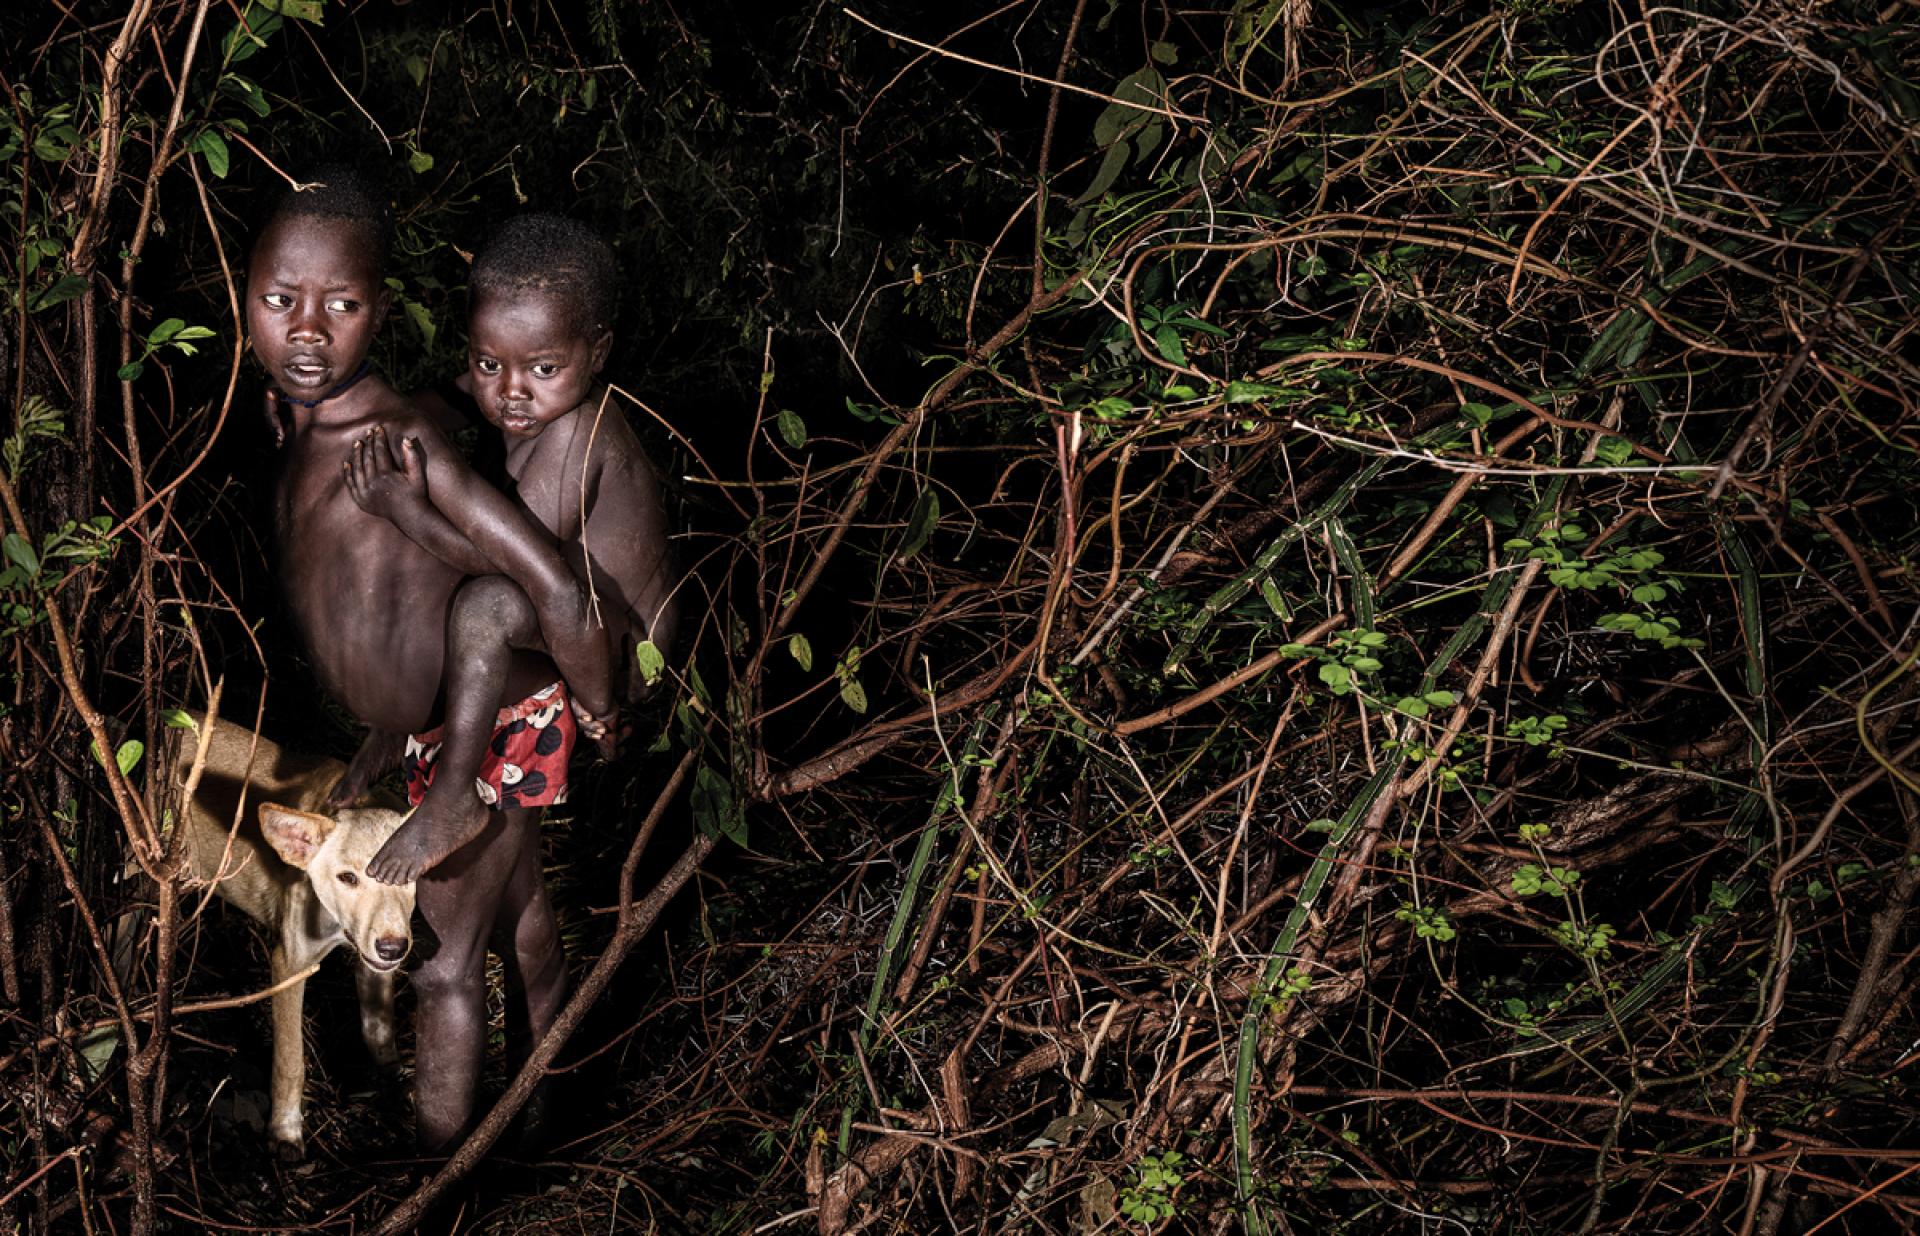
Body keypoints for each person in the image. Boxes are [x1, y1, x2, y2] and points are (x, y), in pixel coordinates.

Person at [253, 168, 606, 1152]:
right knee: (523, 918)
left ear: (380, 311)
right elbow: (401, 604)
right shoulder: (292, 435)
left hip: (489, 724)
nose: (311, 330)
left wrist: (600, 699)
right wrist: (379, 729)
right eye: (282, 301)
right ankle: (548, 1119)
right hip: (436, 727)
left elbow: (548, 587)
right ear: (244, 297)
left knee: (445, 965)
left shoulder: (397, 439)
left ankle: (438, 1186)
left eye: (344, 304)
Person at [343, 213, 679, 830]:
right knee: (426, 546)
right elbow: (435, 407)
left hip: (615, 652)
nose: (511, 392)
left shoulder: (576, 435)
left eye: (543, 370)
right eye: (488, 363)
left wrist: (407, 511)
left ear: (597, 351)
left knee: (484, 604)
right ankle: (402, 722)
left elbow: (521, 572)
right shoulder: (512, 380)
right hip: (559, 610)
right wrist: (343, 416)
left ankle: (453, 801)